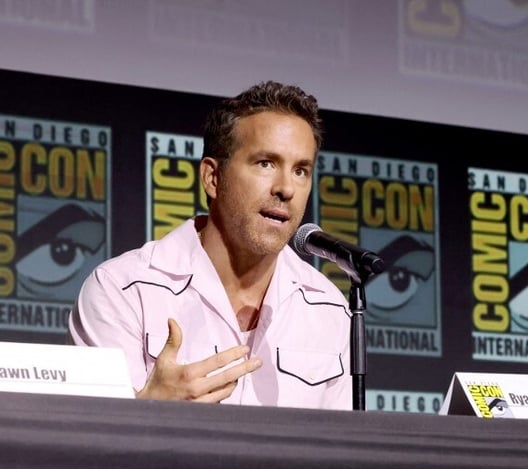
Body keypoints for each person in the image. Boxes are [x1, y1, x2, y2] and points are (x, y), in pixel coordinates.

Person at [69, 81, 352, 409]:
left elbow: (340, 453)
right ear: (213, 178)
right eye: (265, 163)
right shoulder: (123, 291)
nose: (286, 188)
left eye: (301, 170)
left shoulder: (329, 308)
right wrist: (149, 405)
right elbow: (94, 448)